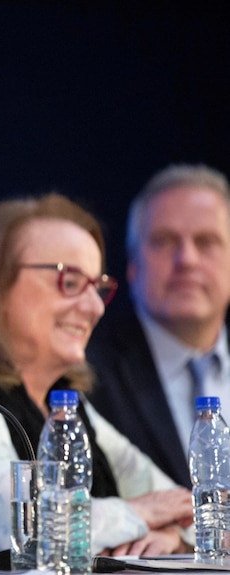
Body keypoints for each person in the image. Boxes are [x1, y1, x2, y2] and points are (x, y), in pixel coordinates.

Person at [0, 193, 193, 557]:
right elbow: (25, 526)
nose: (94, 307)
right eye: (71, 281)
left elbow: (184, 507)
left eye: (98, 288)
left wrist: (174, 539)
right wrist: (141, 513)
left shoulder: (67, 408)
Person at [88, 164, 230, 489]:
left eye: (206, 242)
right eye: (164, 241)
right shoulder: (86, 377)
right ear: (133, 265)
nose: (187, 259)